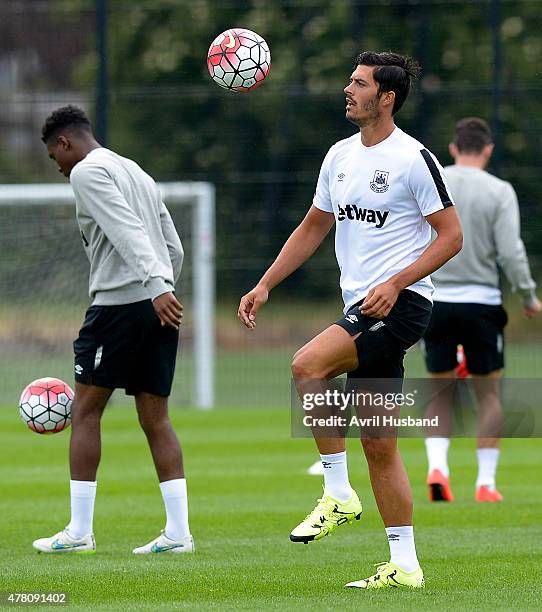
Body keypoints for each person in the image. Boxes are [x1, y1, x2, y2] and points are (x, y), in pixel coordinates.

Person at [238, 51, 462, 589]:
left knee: (307, 366)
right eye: (349, 81)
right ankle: (405, 566)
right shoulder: (338, 156)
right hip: (362, 307)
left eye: (359, 84)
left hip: (401, 306)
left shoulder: (413, 159)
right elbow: (314, 226)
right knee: (380, 443)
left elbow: (452, 237)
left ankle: (337, 493)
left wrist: (395, 282)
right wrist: (266, 283)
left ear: (386, 98)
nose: (348, 90)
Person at [33, 105, 194, 555]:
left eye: (54, 158)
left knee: (85, 411)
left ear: (65, 143)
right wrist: (164, 285)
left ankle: (79, 532)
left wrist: (155, 285)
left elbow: (126, 230)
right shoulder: (134, 169)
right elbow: (172, 241)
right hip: (156, 305)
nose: (59, 169)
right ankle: (178, 534)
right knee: (156, 418)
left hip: (119, 307)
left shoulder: (87, 171)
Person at [423, 117, 541, 503]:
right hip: (482, 304)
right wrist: (527, 295)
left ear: (454, 148)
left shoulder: (435, 178)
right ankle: (485, 483)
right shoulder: (499, 190)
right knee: (489, 394)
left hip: (435, 299)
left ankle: (437, 467)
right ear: (487, 150)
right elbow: (511, 251)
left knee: (440, 389)